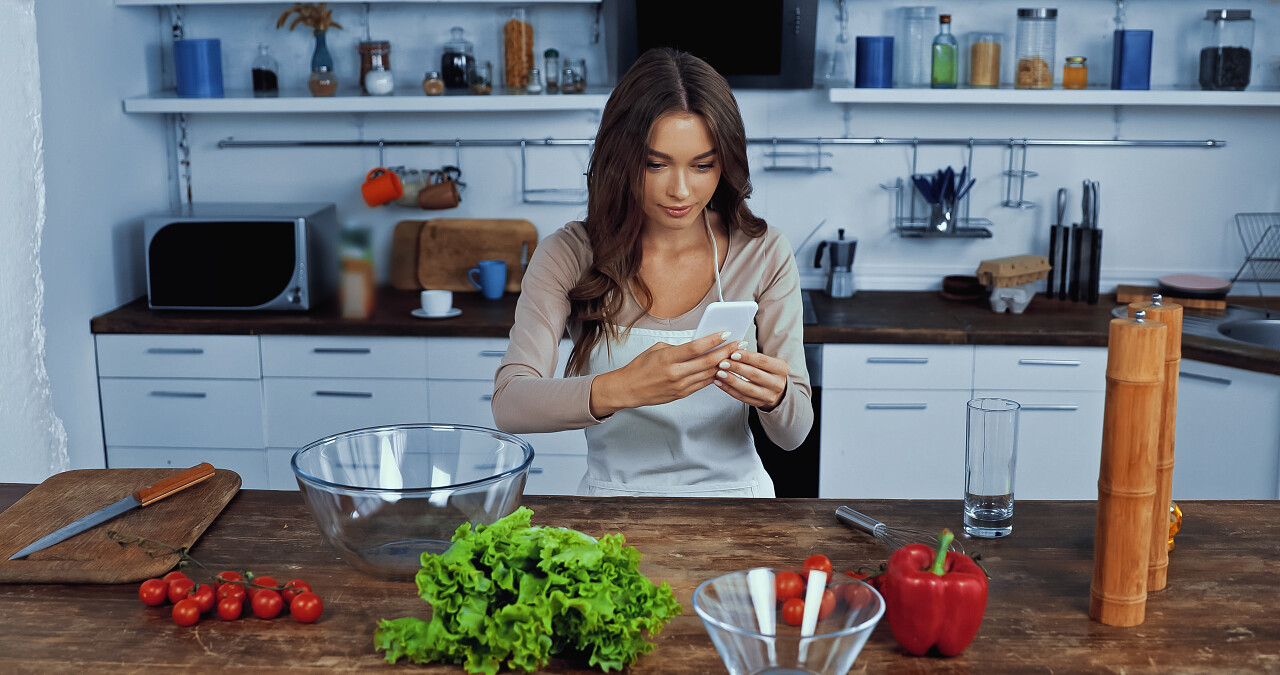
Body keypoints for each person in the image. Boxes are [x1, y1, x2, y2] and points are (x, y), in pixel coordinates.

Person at [491, 48, 812, 497]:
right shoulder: (569, 254)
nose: (680, 189)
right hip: (609, 510)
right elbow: (509, 405)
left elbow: (794, 435)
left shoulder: (762, 252)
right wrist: (623, 387)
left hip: (738, 507)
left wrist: (776, 397)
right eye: (654, 164)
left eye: (703, 165)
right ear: (619, 158)